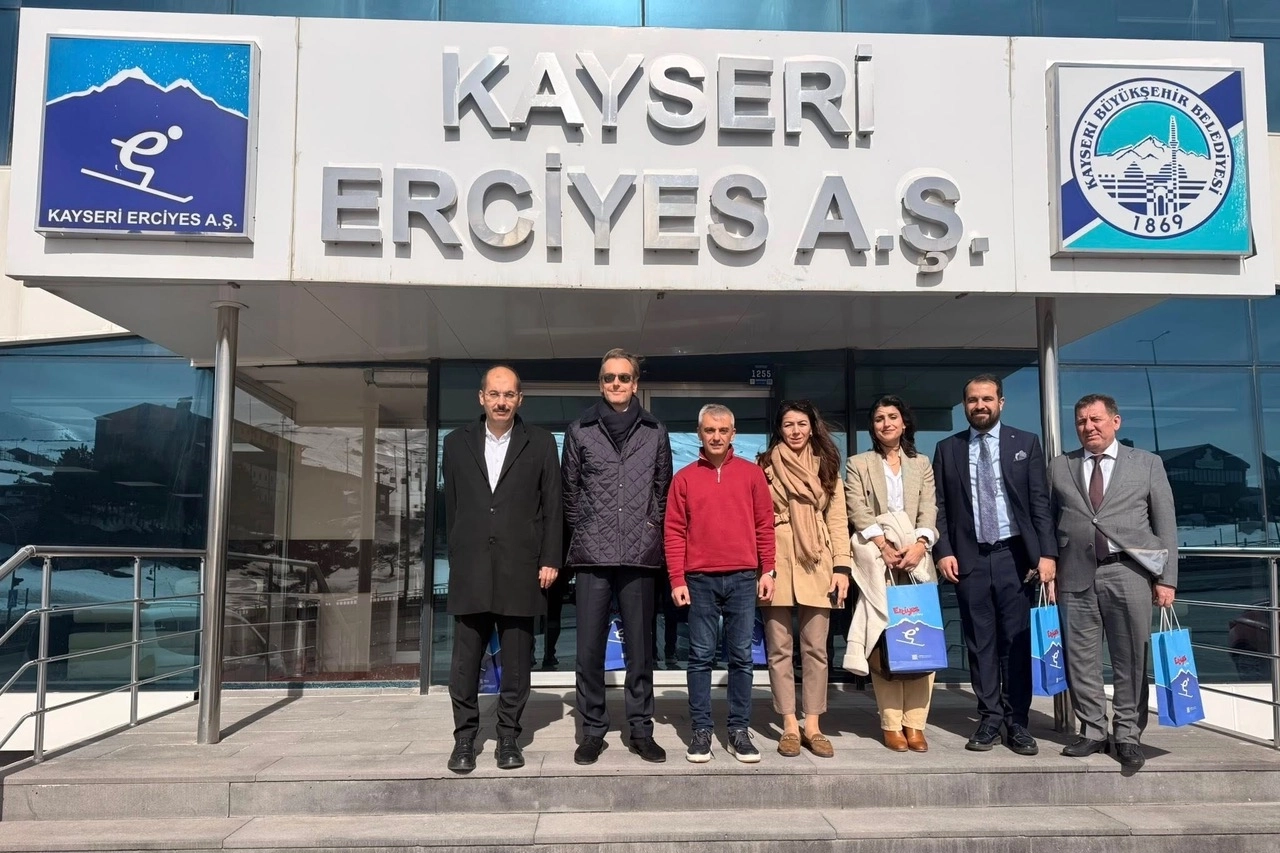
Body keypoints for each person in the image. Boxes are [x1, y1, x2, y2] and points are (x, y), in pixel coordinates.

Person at [442, 365, 562, 774]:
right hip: (471, 567)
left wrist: (550, 558)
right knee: (465, 663)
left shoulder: (541, 443)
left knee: (516, 662)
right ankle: (464, 738)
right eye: (494, 394)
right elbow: (453, 507)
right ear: (481, 397)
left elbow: (552, 506)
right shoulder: (455, 443)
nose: (501, 402)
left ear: (519, 399)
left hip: (521, 567)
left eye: (509, 394)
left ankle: (508, 736)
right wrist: (458, 555)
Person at [1048, 394, 1178, 771]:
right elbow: (1048, 521)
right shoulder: (1060, 466)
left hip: (1129, 572)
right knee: (1081, 658)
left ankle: (1127, 734)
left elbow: (1166, 524)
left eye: (1096, 419)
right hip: (1074, 574)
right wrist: (1050, 568)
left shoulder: (1147, 464)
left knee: (1131, 657)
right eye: (1081, 421)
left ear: (1115, 422)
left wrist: (1166, 579)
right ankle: (1092, 730)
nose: (1088, 427)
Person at [932, 374, 1056, 756]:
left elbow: (1039, 503)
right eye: (973, 400)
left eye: (987, 398)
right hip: (969, 559)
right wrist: (943, 551)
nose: (980, 405)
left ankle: (1018, 723)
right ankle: (989, 719)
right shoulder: (948, 448)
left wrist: (1048, 554)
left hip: (1015, 558)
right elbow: (940, 508)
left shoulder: (1025, 443)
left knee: (1015, 643)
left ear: (1001, 402)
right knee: (979, 643)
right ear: (964, 405)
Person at [562, 348, 673, 765]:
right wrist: (587, 528)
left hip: (640, 554)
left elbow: (663, 489)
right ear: (600, 383)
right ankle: (593, 730)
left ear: (635, 384)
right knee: (588, 650)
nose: (616, 384)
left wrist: (649, 527)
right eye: (609, 378)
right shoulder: (580, 430)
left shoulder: (655, 431)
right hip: (592, 554)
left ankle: (641, 729)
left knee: (640, 650)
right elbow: (569, 492)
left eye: (624, 378)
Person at [665, 403, 776, 764]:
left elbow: (765, 525)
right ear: (699, 433)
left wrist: (768, 570)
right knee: (700, 657)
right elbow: (674, 532)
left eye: (723, 430)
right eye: (710, 430)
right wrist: (677, 578)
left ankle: (739, 730)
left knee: (741, 657)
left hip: (743, 578)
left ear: (733, 433)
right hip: (699, 580)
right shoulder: (683, 478)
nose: (716, 436)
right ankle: (701, 730)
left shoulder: (751, 475)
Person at [843, 396, 939, 752]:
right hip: (879, 560)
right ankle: (891, 723)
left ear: (904, 422)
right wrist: (884, 546)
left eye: (893, 417)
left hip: (917, 560)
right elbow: (857, 508)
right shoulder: (858, 463)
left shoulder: (921, 463)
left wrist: (920, 546)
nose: (886, 423)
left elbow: (929, 507)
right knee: (885, 639)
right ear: (873, 426)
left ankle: (915, 724)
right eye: (879, 418)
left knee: (922, 638)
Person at [756, 400, 851, 758]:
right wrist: (762, 566)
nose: (795, 431)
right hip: (776, 558)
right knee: (779, 649)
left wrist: (842, 567)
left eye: (801, 424)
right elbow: (758, 519)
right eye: (788, 425)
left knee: (815, 648)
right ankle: (789, 724)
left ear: (812, 428)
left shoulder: (828, 465)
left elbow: (837, 520)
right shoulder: (765, 464)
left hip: (817, 559)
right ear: (779, 430)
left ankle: (813, 724)